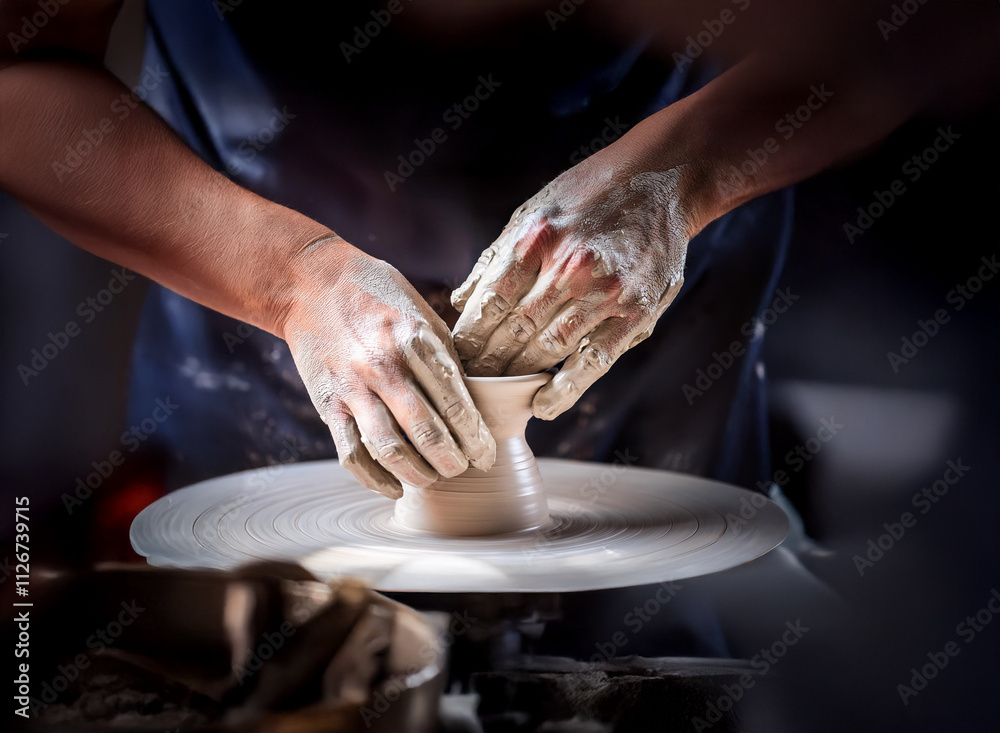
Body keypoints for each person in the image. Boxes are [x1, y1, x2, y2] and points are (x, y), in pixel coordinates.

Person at [2, 0, 997, 499]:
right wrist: (291, 275)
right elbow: (20, 85)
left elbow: (918, 31)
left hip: (657, 360)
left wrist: (680, 173)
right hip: (256, 357)